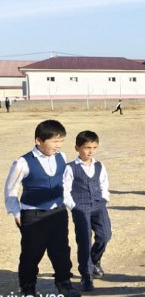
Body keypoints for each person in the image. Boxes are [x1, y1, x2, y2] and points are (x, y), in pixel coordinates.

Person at [3, 119, 81, 296]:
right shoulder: (22, 162)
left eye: (61, 141)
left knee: (61, 249)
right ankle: (28, 287)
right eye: (54, 141)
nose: (59, 146)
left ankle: (64, 283)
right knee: (31, 253)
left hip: (58, 212)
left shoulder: (61, 157)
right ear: (38, 141)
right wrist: (16, 212)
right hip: (33, 215)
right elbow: (10, 189)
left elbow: (63, 183)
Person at [64, 131, 112, 292]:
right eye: (86, 147)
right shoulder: (70, 168)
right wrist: (73, 206)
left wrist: (104, 198)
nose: (90, 151)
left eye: (94, 147)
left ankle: (95, 260)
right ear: (77, 148)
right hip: (80, 207)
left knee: (105, 235)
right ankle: (86, 276)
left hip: (99, 205)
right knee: (84, 241)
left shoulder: (99, 165)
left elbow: (104, 183)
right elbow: (65, 189)